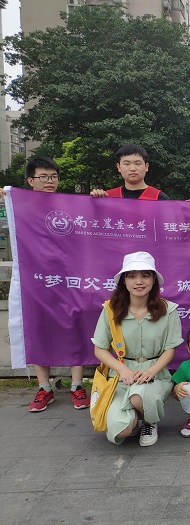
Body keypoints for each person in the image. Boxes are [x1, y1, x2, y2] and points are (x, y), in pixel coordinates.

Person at [14, 157, 91, 412]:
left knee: (75, 326)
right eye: (43, 177)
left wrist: (98, 198)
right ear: (30, 180)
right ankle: (44, 387)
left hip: (70, 279)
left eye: (54, 176)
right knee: (39, 329)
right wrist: (7, 195)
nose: (50, 181)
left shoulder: (69, 205)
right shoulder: (21, 206)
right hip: (36, 280)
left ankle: (77, 385)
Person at [92, 251, 183, 446]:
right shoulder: (110, 310)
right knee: (122, 431)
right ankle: (133, 418)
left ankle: (150, 421)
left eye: (145, 275)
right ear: (124, 281)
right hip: (121, 378)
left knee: (139, 396)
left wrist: (150, 372)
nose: (139, 282)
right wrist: (122, 370)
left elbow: (170, 349)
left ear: (154, 280)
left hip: (155, 376)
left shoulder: (168, 310)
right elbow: (99, 349)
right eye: (132, 276)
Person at [90, 144, 169, 200]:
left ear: (146, 166)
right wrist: (94, 200)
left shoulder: (159, 198)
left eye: (137, 163)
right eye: (127, 164)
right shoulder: (108, 197)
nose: (132, 168)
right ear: (119, 167)